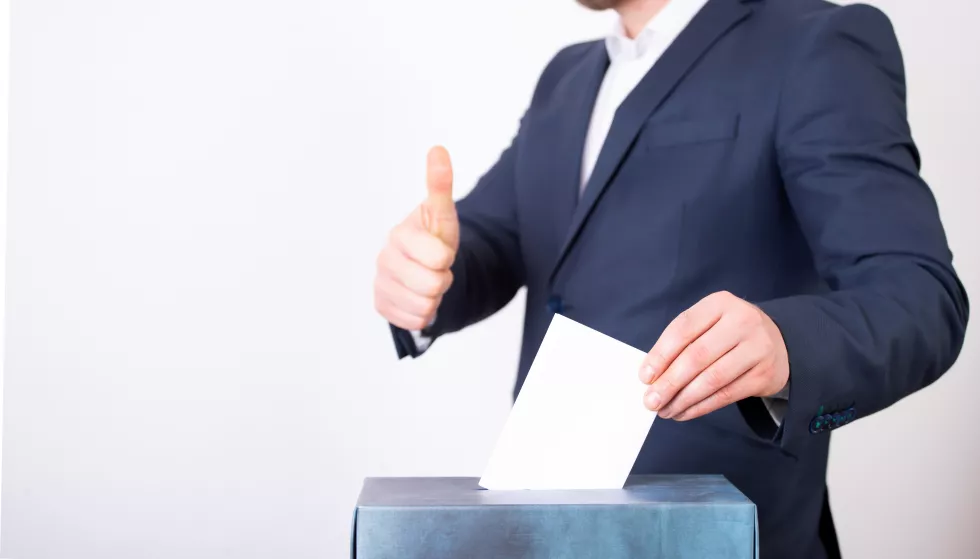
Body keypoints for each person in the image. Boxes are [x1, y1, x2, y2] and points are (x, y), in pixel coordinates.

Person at [372, 0, 969, 556]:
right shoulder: (567, 76)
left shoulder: (815, 44)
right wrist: (424, 275)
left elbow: (917, 294)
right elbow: (489, 240)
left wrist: (787, 344)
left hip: (719, 534)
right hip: (544, 524)